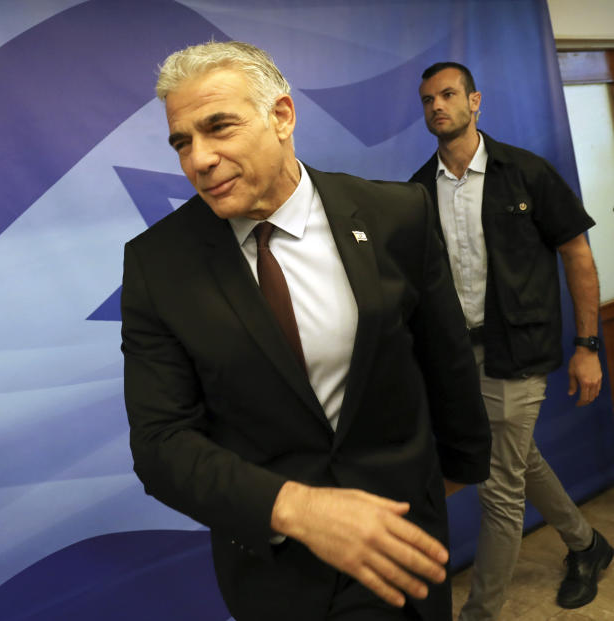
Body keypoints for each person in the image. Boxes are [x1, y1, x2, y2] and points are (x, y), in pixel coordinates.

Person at [121, 41, 491, 621]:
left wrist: (449, 475)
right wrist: (295, 509)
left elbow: (444, 360)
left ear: (282, 116)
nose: (200, 158)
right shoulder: (157, 264)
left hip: (401, 545)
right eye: (182, 141)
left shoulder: (396, 214)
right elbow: (160, 443)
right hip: (275, 574)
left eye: (219, 127)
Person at [410, 61, 611, 620]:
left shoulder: (526, 173)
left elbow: (577, 255)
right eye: (427, 100)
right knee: (520, 460)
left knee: (500, 488)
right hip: (457, 356)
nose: (437, 107)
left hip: (518, 352)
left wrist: (588, 347)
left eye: (448, 95)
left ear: (475, 102)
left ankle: (480, 613)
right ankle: (587, 544)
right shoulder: (418, 192)